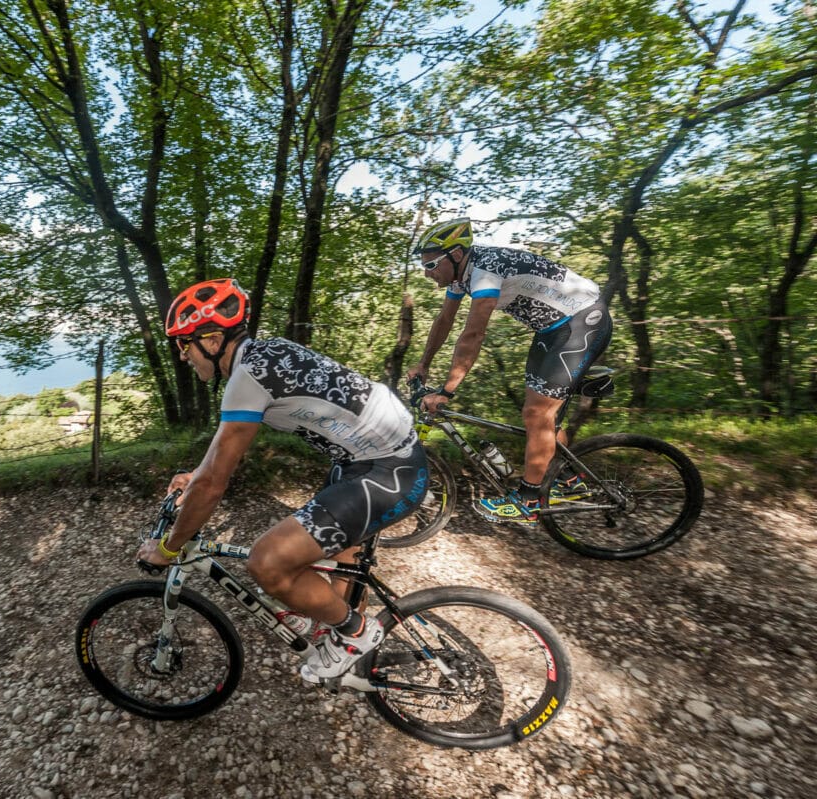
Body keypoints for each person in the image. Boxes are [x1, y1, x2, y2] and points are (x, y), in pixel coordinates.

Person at [137, 278, 429, 682]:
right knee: (332, 561)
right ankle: (340, 633)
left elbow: (213, 485)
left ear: (210, 338)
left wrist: (169, 548)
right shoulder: (262, 356)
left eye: (183, 344)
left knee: (268, 562)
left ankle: (355, 633)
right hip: (368, 459)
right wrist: (197, 474)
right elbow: (225, 450)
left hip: (385, 469)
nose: (183, 357)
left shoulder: (246, 378)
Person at [408, 217, 612, 524]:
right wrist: (424, 362)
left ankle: (529, 500)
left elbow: (473, 333)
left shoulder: (485, 270)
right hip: (551, 331)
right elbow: (444, 321)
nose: (427, 272)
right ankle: (569, 480)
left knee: (537, 413)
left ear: (457, 255)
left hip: (582, 321)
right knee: (540, 415)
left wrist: (447, 390)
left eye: (432, 263)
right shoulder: (460, 276)